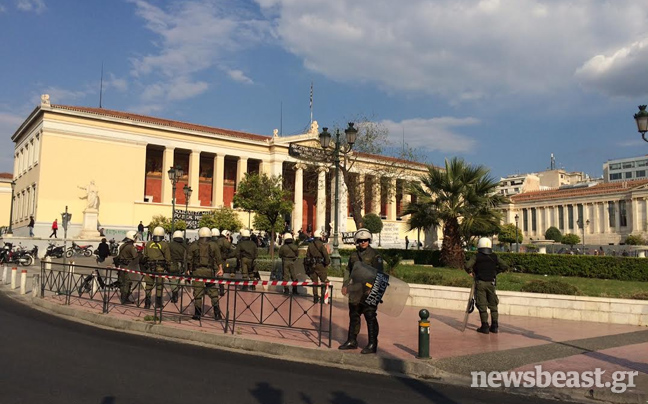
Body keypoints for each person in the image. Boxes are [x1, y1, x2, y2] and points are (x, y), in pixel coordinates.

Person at [339, 228, 383, 354]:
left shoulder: (375, 255)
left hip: (369, 290)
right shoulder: (354, 255)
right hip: (356, 290)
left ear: (369, 240)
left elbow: (380, 274)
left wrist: (373, 290)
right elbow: (348, 270)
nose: (363, 242)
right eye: (361, 240)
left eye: (366, 240)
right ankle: (352, 340)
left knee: (370, 316)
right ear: (357, 241)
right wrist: (345, 284)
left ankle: (372, 344)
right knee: (354, 315)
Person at [464, 237, 510, 334]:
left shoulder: (477, 256)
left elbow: (467, 266)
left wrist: (471, 272)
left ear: (479, 245)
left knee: (482, 304)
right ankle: (494, 326)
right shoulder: (494, 256)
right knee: (493, 305)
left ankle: (484, 326)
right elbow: (505, 266)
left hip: (480, 283)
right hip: (491, 283)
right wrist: (495, 272)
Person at [187, 227, 223, 320]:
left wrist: (188, 270)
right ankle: (217, 313)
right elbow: (218, 258)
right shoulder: (214, 245)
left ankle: (197, 314)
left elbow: (189, 260)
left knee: (197, 293)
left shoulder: (193, 245)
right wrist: (220, 269)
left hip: (197, 272)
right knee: (213, 292)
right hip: (210, 272)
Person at [142, 226, 171, 309]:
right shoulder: (164, 244)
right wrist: (168, 267)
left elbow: (145, 255)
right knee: (159, 286)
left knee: (148, 286)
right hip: (160, 268)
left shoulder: (149, 243)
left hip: (149, 267)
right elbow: (168, 258)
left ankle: (147, 303)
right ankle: (158, 303)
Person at [115, 230, 139, 304]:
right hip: (128, 267)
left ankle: (123, 297)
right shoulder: (131, 247)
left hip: (121, 266)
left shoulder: (122, 245)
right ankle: (125, 299)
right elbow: (136, 257)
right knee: (127, 283)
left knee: (122, 282)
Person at [306, 230, 330, 303]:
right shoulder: (321, 245)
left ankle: (315, 297)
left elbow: (307, 256)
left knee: (314, 282)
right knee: (323, 282)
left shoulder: (310, 245)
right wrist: (326, 263)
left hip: (313, 266)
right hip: (321, 265)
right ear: (320, 236)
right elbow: (326, 255)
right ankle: (323, 298)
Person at [168, 230, 187, 303]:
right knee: (178, 278)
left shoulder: (170, 245)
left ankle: (174, 294)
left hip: (172, 263)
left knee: (172, 279)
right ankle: (176, 292)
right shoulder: (185, 245)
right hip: (181, 264)